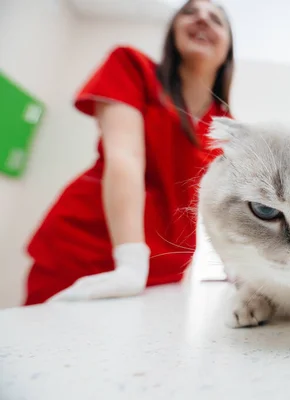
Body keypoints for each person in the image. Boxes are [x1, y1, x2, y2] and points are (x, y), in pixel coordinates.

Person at [23, 0, 234, 305]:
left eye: (215, 19)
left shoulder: (226, 127)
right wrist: (130, 261)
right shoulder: (132, 67)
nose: (201, 19)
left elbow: (223, 206)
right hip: (89, 248)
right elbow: (126, 157)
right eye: (189, 12)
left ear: (228, 46)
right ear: (173, 31)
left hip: (165, 269)